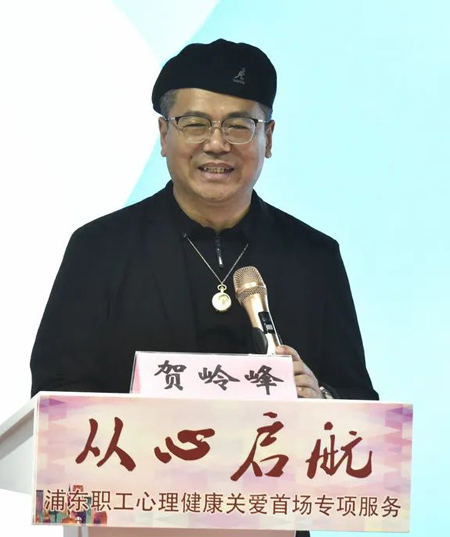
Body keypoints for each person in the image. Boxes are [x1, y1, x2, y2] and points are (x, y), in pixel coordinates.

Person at [30, 39, 378, 537]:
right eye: (194, 123)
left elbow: (359, 404)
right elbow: (53, 402)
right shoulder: (99, 249)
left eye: (239, 125)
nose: (217, 144)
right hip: (127, 525)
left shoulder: (314, 256)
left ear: (268, 137)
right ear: (163, 135)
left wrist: (320, 398)